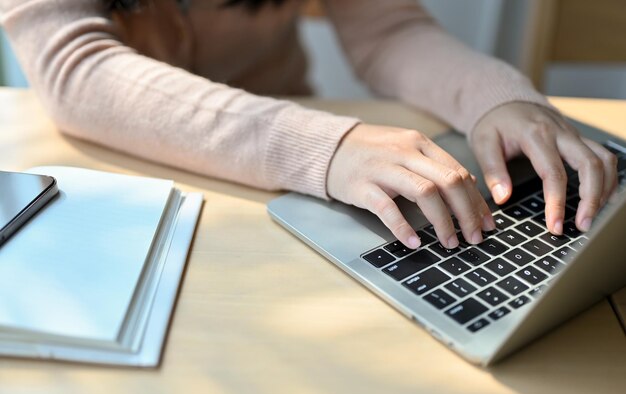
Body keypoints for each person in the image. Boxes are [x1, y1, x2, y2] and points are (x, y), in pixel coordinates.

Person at [1, 0, 617, 250]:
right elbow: (77, 70)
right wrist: (330, 145)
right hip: (108, 190)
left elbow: (387, 32)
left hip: (288, 195)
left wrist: (496, 100)